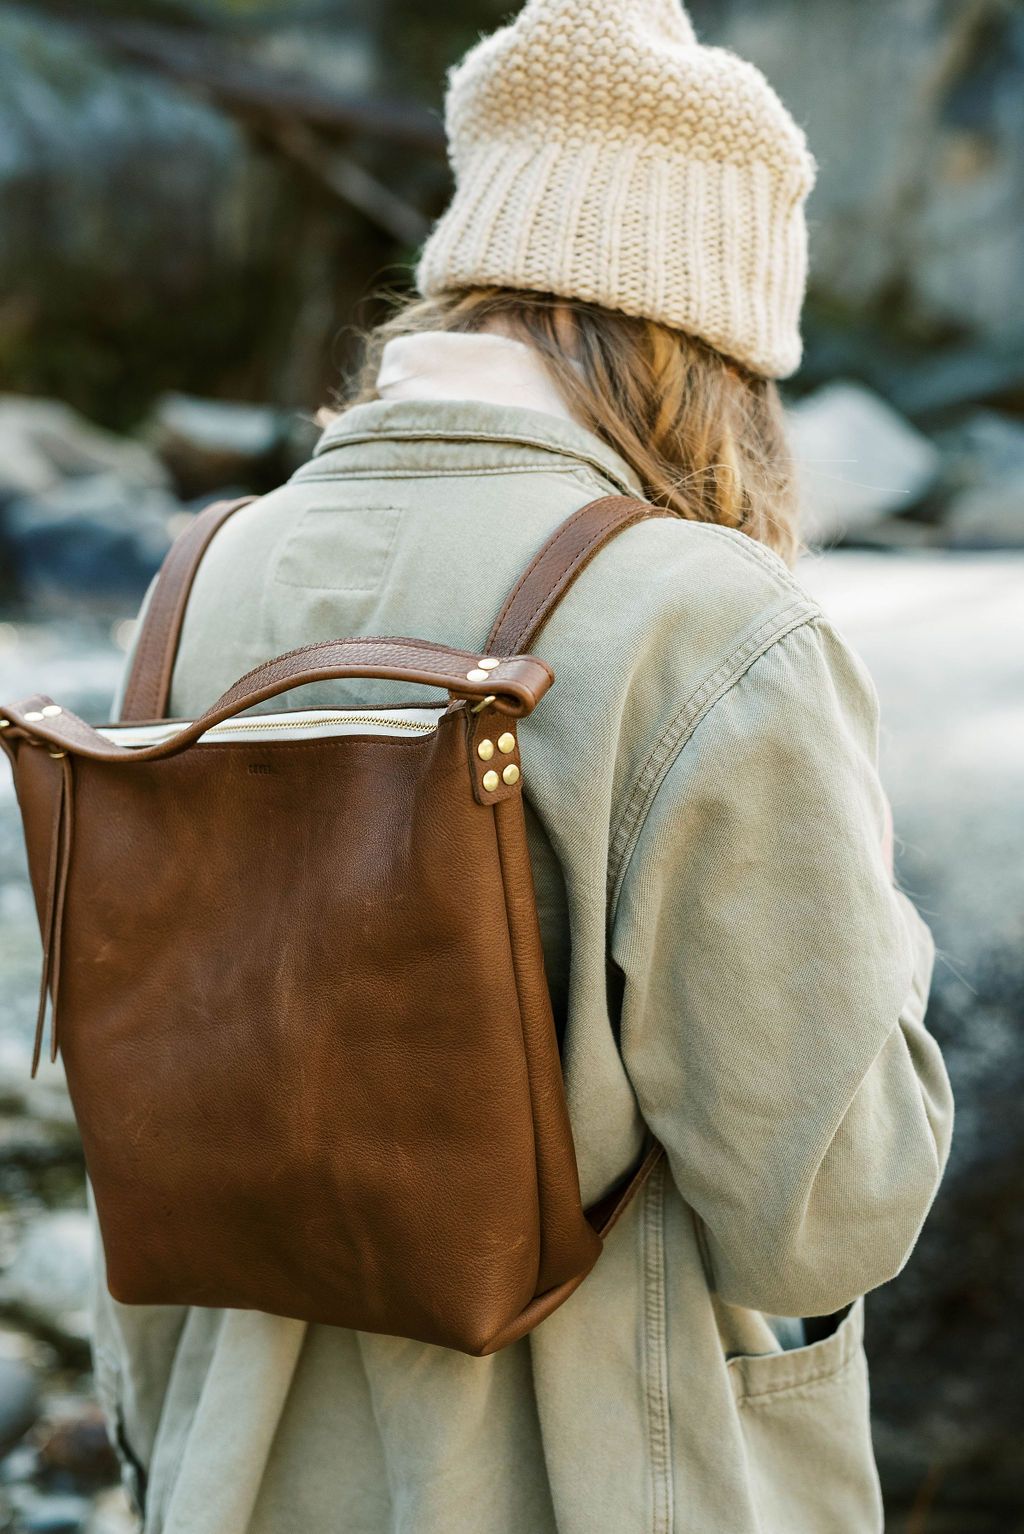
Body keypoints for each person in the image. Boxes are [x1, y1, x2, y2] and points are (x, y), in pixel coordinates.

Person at [91, 2, 953, 1530]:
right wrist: (881, 931)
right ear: (714, 348)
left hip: (234, 1484)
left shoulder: (202, 579)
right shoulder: (708, 622)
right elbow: (824, 1213)